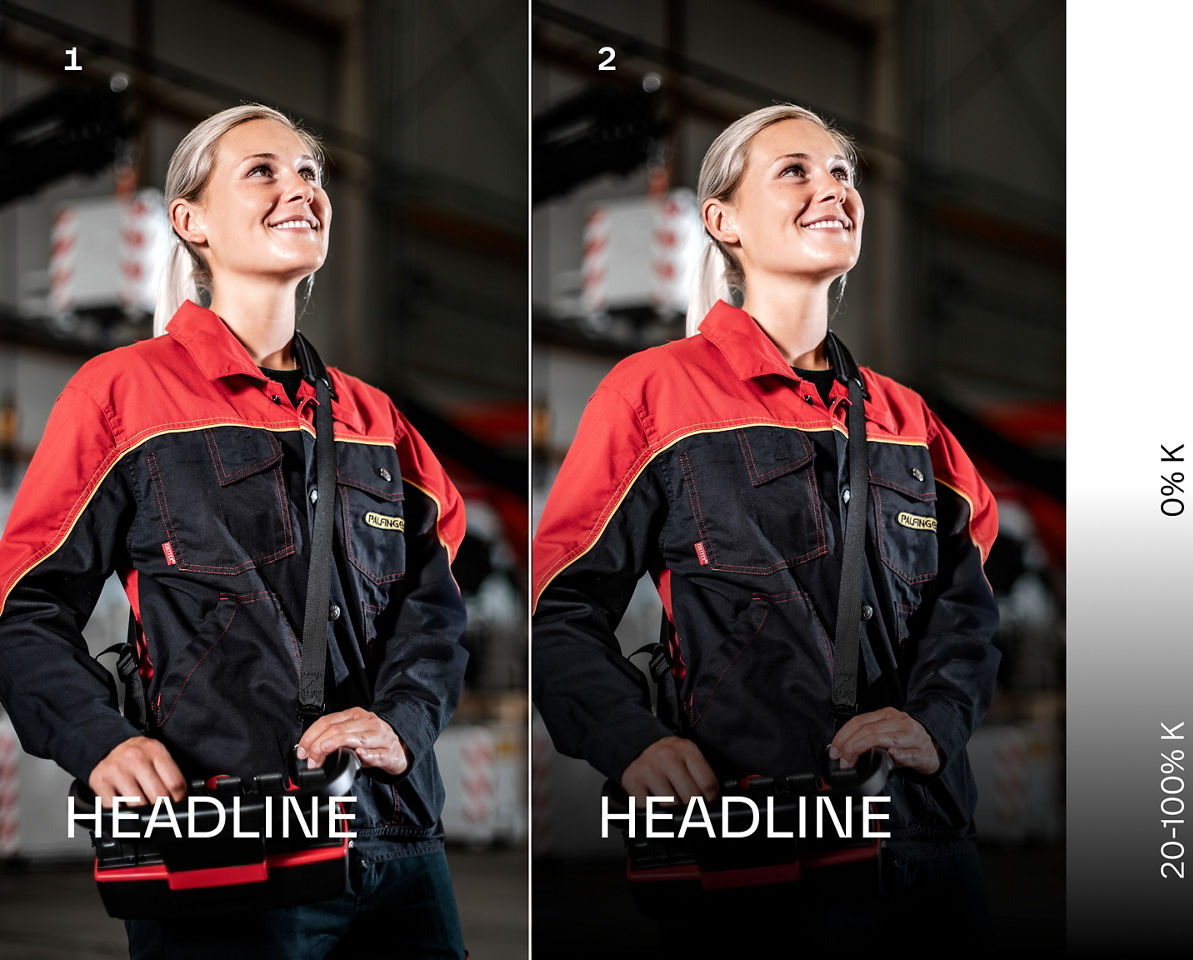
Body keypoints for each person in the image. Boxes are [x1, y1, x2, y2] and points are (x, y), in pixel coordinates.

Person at [0, 104, 468, 958]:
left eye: (311, 175)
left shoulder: (376, 420)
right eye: (263, 171)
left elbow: (430, 609)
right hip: (222, 844)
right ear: (190, 221)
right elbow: (25, 608)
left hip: (398, 841)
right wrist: (97, 738)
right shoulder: (121, 397)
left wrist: (401, 720)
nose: (301, 189)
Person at [532, 104, 1000, 949]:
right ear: (723, 221)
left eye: (844, 175)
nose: (833, 189)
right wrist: (629, 738)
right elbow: (561, 606)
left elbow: (963, 610)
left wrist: (932, 723)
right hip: (754, 855)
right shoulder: (654, 394)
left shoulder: (908, 420)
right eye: (796, 171)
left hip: (926, 845)